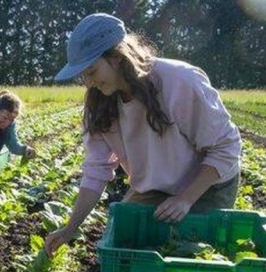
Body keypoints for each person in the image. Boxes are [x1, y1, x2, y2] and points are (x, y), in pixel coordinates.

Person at [45, 13, 241, 255]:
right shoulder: (99, 104)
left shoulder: (179, 81)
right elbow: (96, 170)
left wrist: (185, 198)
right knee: (124, 248)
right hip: (154, 186)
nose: (88, 82)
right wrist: (69, 228)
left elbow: (226, 147)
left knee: (190, 252)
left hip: (207, 184)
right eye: (83, 75)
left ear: (117, 57)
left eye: (92, 71)